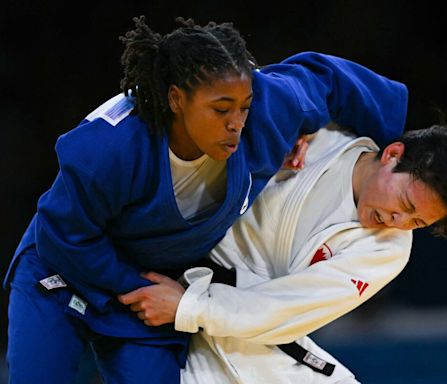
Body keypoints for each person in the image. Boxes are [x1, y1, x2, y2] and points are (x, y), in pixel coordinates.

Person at [3, 15, 409, 384]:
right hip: (63, 270)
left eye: (243, 107)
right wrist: (139, 286)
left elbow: (326, 79)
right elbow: (65, 237)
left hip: (148, 288)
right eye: (220, 110)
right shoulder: (108, 147)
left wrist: (380, 148)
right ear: (176, 99)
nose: (235, 124)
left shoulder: (268, 112)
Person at [118, 125, 447, 383]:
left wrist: (189, 307)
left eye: (416, 222)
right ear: (392, 154)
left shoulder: (388, 250)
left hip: (246, 331)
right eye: (405, 201)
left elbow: (285, 309)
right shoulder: (316, 139)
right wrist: (275, 128)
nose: (396, 219)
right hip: (173, 276)